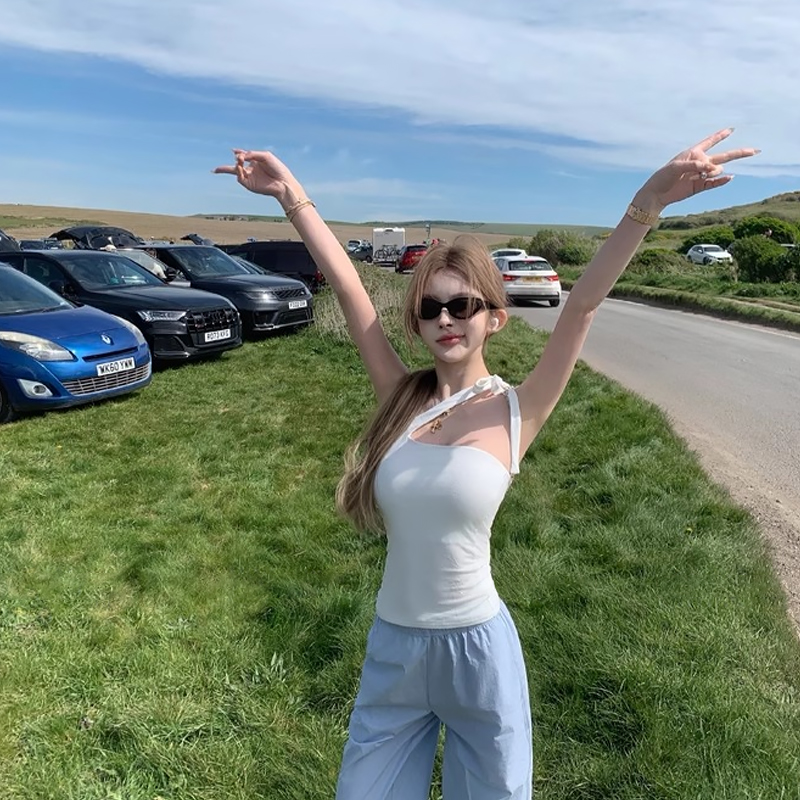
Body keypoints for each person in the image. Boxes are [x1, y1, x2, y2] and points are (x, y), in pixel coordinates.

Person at [214, 128, 757, 800]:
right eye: (431, 308)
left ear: (494, 318)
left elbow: (582, 307)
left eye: (462, 305)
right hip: (394, 648)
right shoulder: (401, 398)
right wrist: (290, 196)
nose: (446, 318)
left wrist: (647, 203)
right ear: (417, 323)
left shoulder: (517, 410)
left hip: (477, 653)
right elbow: (353, 296)